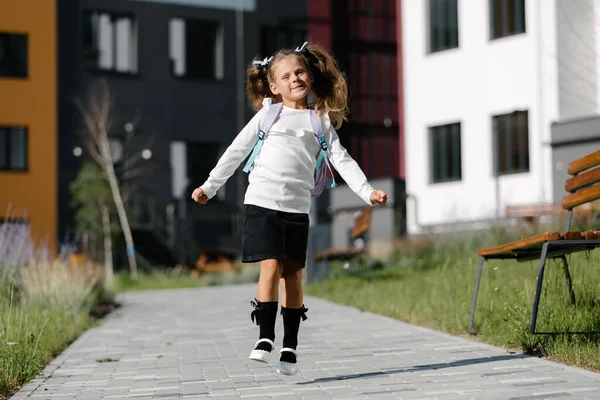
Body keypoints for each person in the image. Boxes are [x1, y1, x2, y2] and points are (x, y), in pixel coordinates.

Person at [191, 42, 387, 376]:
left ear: (309, 76)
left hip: (296, 209)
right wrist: (210, 186)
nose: (295, 78)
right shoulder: (268, 115)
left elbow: (343, 161)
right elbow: (236, 151)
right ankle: (265, 336)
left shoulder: (319, 121)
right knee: (270, 267)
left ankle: (290, 345)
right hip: (261, 203)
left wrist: (368, 192)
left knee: (292, 274)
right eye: (286, 75)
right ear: (273, 86)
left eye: (299, 72)